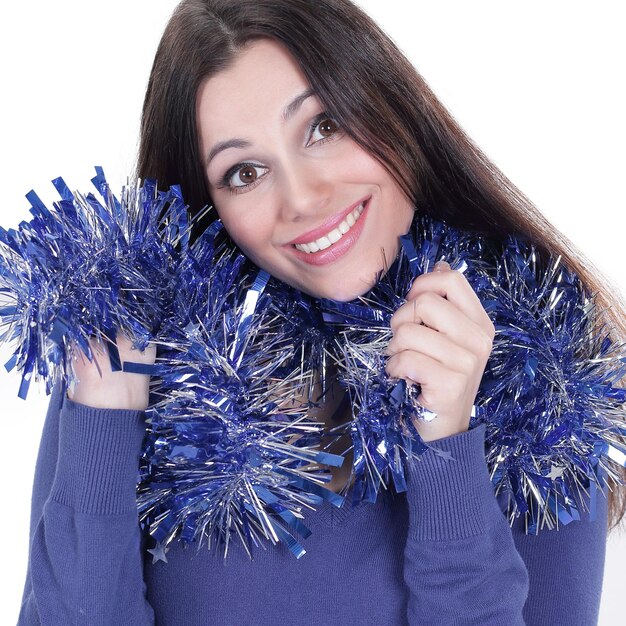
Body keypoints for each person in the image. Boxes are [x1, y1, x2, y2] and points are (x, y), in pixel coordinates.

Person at [16, 1, 625, 624]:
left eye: (324, 127)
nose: (303, 198)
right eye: (245, 172)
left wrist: (447, 446)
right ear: (208, 203)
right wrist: (104, 426)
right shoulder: (137, 352)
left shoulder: (543, 362)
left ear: (387, 103)